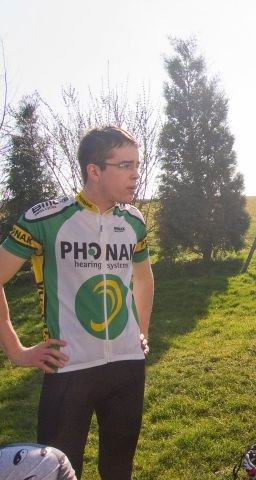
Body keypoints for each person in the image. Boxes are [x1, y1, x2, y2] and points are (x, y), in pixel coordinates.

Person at [0, 126, 154, 479]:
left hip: (127, 367)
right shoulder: (46, 220)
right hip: (69, 369)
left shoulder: (133, 221)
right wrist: (17, 351)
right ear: (94, 170)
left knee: (119, 470)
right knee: (58, 471)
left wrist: (141, 332)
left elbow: (144, 279)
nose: (136, 174)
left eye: (137, 164)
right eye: (125, 165)